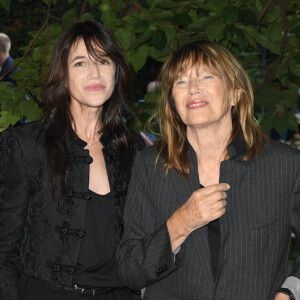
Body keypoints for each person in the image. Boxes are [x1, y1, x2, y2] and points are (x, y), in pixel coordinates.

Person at [118, 40, 300, 300]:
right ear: (172, 100)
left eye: (206, 77)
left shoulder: (285, 165)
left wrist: (290, 293)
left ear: (236, 93)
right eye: (180, 82)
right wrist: (180, 223)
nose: (193, 89)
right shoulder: (152, 165)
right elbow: (130, 271)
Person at [0, 20, 144, 300]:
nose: (94, 73)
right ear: (63, 75)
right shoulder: (26, 145)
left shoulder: (133, 149)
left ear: (116, 72)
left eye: (104, 61)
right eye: (80, 63)